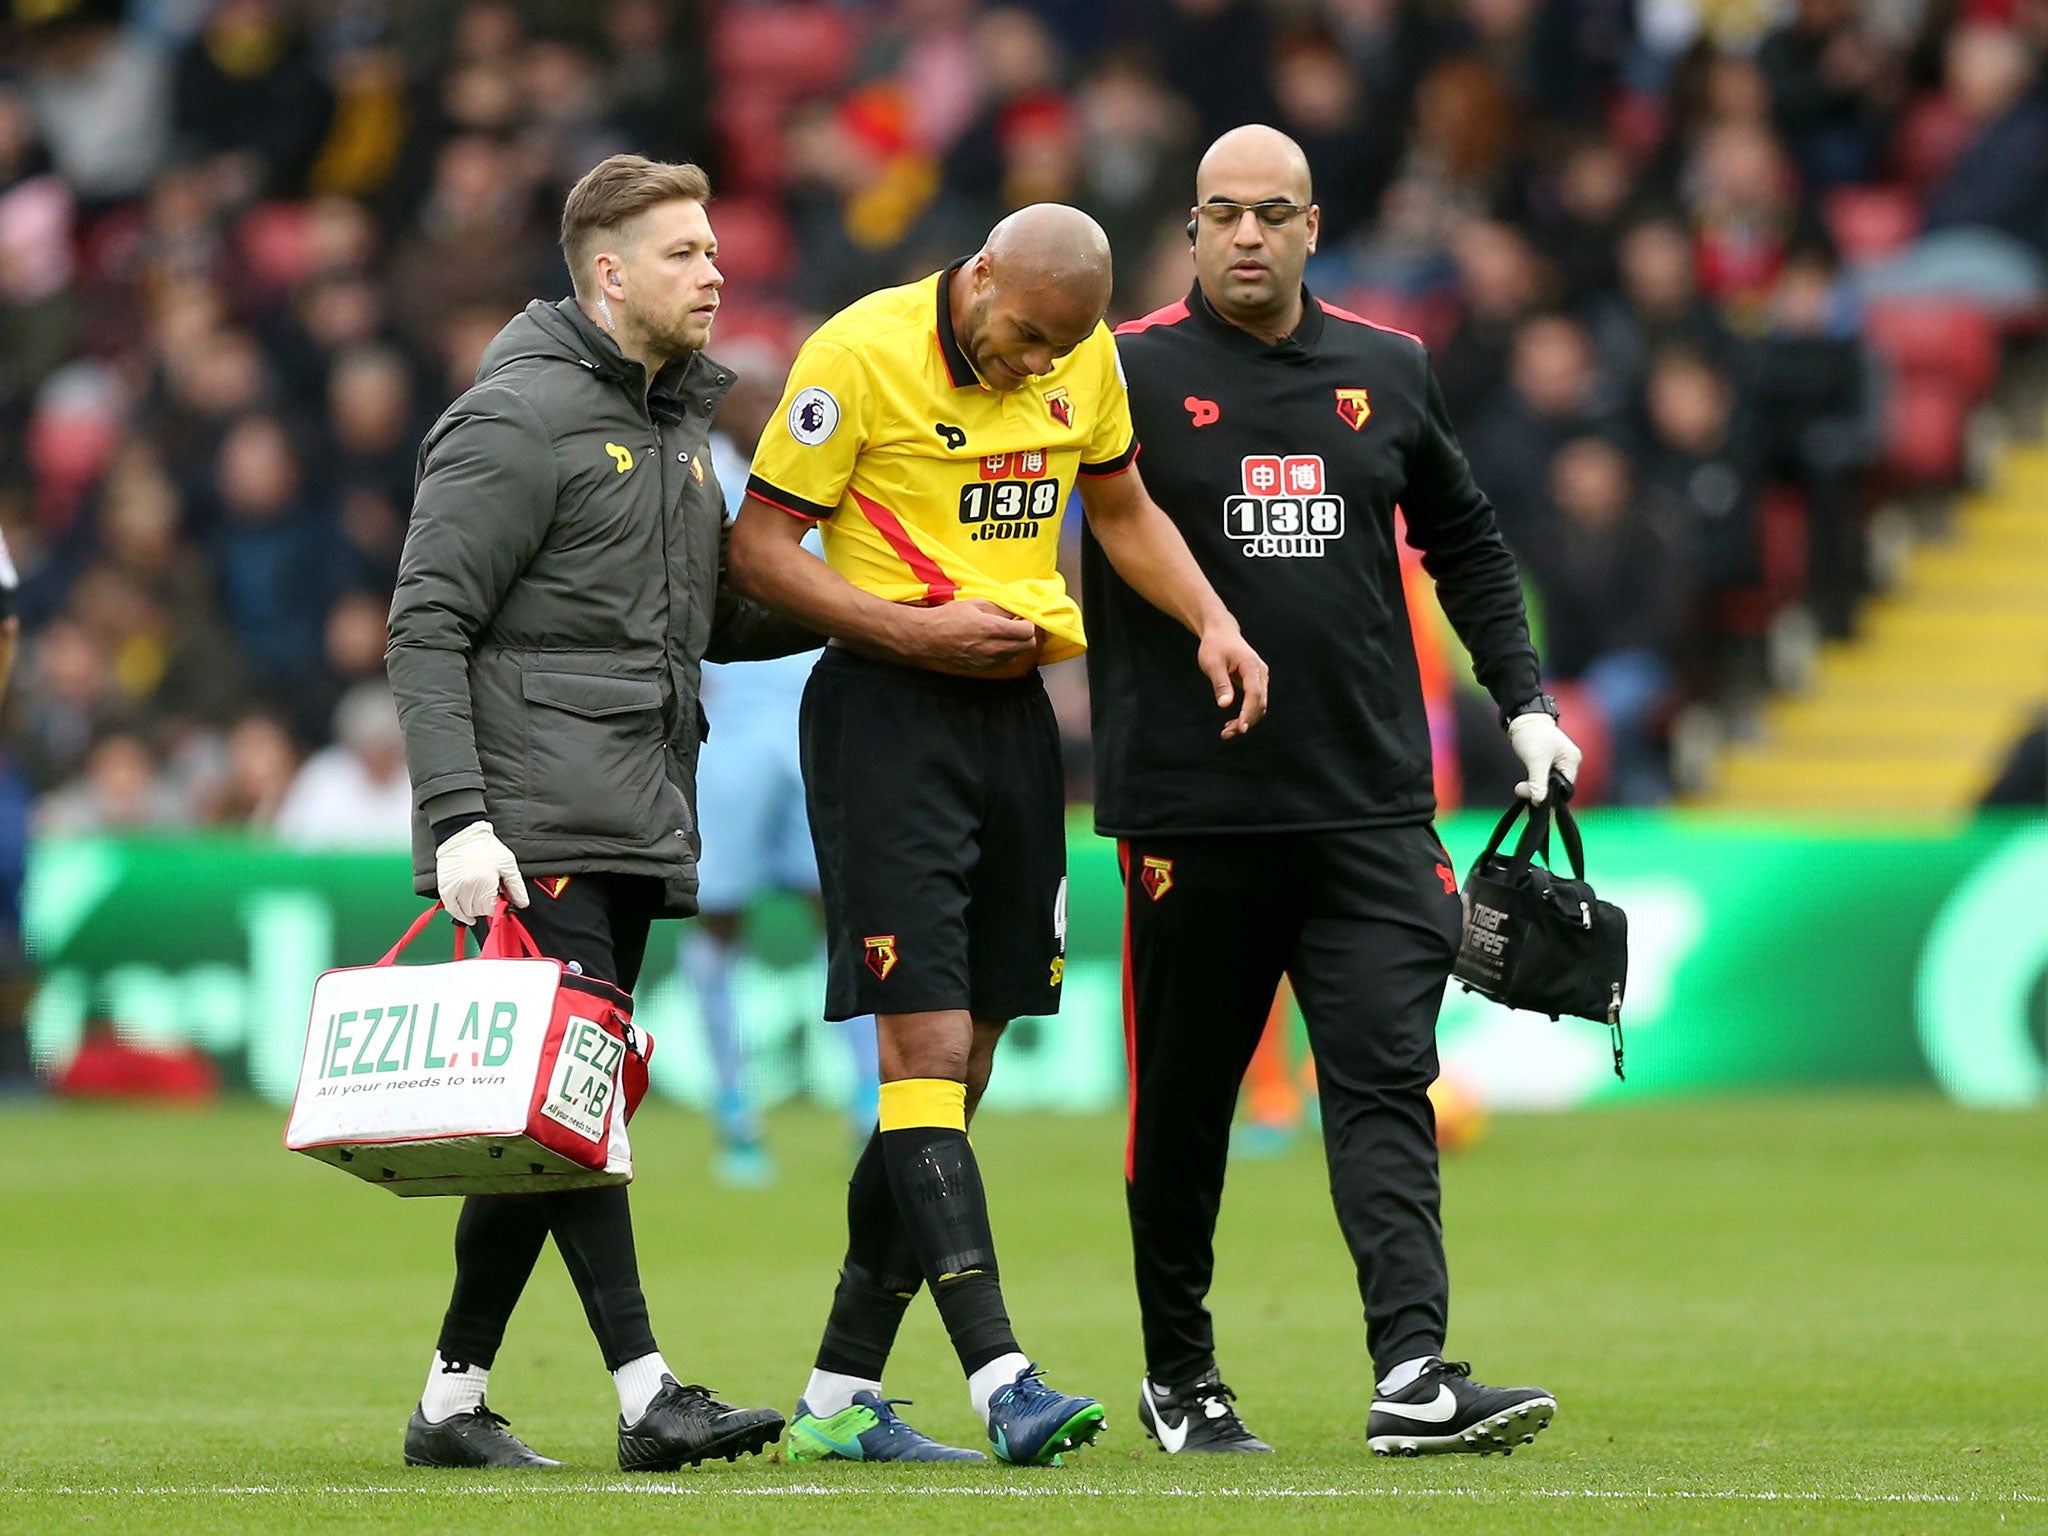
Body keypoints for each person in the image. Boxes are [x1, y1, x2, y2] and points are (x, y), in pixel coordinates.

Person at [728, 203, 1268, 1465]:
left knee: (955, 1079)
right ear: (977, 277)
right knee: (916, 1051)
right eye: (1023, 336)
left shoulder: (1086, 354)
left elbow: (1121, 508)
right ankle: (1001, 1380)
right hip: (883, 714)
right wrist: (910, 630)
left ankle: (833, 1399)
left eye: (1057, 347)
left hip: (1012, 724)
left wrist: (1211, 621)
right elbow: (758, 551)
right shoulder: (855, 355)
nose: (1037, 364)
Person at [1089, 125, 1579, 1457]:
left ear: (1315, 227)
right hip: (1192, 813)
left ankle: (1412, 1372)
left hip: (1366, 806)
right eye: (1223, 214)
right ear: (1191, 232)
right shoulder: (1119, 372)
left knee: (1384, 1085)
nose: (1247, 236)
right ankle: (1180, 1374)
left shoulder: (1390, 368)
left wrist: (1523, 700)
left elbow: (1466, 540)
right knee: (1182, 1114)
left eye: (1274, 213)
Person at [385, 153, 810, 1474]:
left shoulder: (683, 427)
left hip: (628, 814)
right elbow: (426, 622)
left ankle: (452, 1405)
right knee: (579, 1108)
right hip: (531, 828)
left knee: (545, 1122)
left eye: (716, 249)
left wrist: (864, 603)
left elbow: (695, 627)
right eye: (685, 252)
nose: (714, 271)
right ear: (609, 273)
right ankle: (645, 1394)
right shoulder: (516, 420)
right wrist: (460, 820)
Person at [688, 347, 879, 1186]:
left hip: (819, 730)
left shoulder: (835, 478)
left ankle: (870, 1103)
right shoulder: (702, 484)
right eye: (751, 393)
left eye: (776, 392)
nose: (763, 405)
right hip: (729, 739)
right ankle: (735, 1110)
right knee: (717, 922)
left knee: (839, 918)